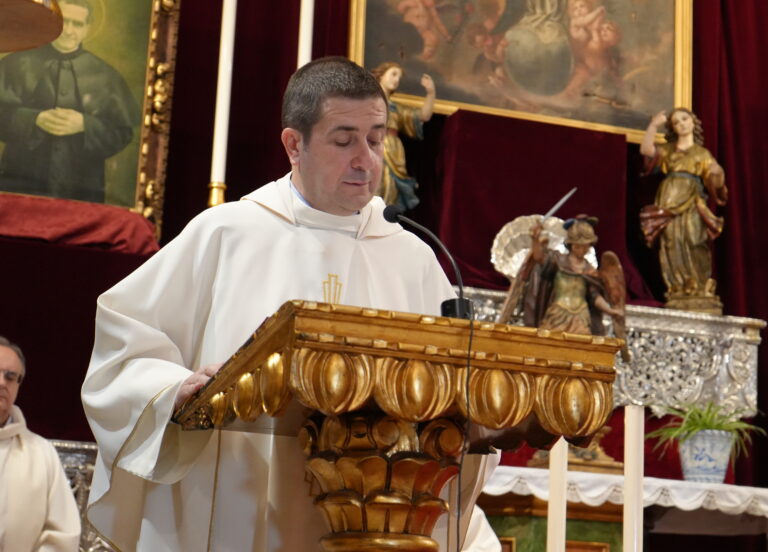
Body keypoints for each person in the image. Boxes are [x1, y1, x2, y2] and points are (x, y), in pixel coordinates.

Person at [82, 57, 498, 551]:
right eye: (344, 141)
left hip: (372, 516)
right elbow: (124, 348)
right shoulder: (228, 233)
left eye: (375, 138)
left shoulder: (413, 255)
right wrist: (173, 389)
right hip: (241, 506)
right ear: (294, 145)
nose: (366, 160)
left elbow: (457, 392)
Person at [0, 0, 139, 203]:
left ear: (87, 28)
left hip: (82, 187)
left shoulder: (106, 74)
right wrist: (33, 119)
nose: (68, 31)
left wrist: (84, 124)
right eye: (63, 22)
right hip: (20, 180)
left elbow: (122, 132)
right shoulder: (17, 63)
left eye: (77, 24)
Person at [639, 108, 727, 313]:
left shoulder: (702, 154)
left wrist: (717, 173)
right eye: (676, 123)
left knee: (695, 240)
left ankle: (699, 286)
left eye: (685, 119)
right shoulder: (668, 150)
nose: (682, 124)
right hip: (669, 199)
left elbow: (716, 183)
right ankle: (678, 287)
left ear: (693, 122)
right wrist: (653, 126)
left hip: (692, 201)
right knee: (672, 241)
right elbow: (646, 150)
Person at [0, 336, 81, 551]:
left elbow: (62, 535)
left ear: (18, 384)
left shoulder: (41, 453)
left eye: (10, 376)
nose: (2, 383)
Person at [520, 216, 625, 335]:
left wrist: (610, 311)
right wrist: (535, 239)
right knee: (550, 340)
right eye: (578, 246)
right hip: (557, 314)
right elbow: (539, 258)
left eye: (585, 246)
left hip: (580, 318)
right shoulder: (558, 261)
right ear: (571, 244)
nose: (582, 250)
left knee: (581, 342)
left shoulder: (590, 271)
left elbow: (595, 297)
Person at [370, 61, 435, 211]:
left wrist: (431, 93)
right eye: (393, 74)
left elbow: (423, 116)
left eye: (399, 77)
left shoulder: (396, 108)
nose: (397, 79)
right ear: (381, 75)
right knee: (373, 185)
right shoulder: (367, 101)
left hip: (394, 151)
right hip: (373, 146)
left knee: (391, 190)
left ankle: (383, 221)